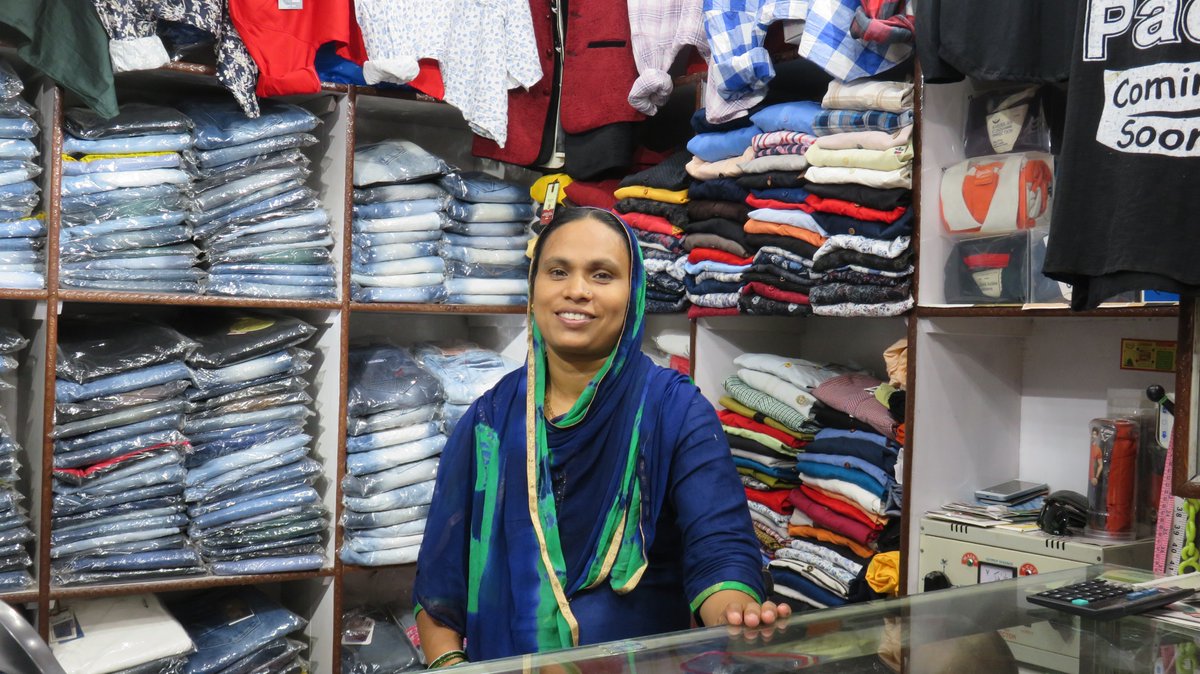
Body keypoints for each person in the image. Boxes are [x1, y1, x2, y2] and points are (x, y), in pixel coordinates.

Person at [413, 207, 789, 668]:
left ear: (633, 295)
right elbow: (440, 583)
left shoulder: (674, 411)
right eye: (557, 272)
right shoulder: (489, 421)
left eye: (602, 275)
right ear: (534, 289)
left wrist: (737, 610)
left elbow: (720, 547)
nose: (577, 290)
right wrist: (449, 665)